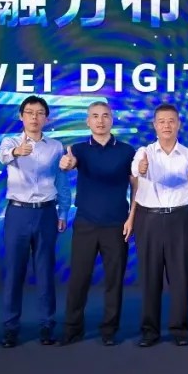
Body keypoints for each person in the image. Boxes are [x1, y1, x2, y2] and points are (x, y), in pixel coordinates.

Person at [58, 101, 137, 346]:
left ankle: (109, 330)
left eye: (104, 116)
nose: (100, 121)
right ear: (88, 121)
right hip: (86, 223)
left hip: (117, 224)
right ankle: (72, 329)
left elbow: (136, 186)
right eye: (95, 116)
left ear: (112, 119)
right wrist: (66, 164)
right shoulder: (78, 150)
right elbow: (68, 164)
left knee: (114, 279)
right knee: (79, 278)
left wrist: (132, 217)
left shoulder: (127, 151)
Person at [0, 96, 71, 348]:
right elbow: (4, 157)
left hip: (46, 213)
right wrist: (17, 152)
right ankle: (10, 327)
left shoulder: (55, 146)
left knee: (45, 271)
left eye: (40, 113)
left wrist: (63, 212)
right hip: (18, 213)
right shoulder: (10, 142)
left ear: (46, 118)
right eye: (29, 112)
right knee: (14, 272)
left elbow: (62, 182)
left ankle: (47, 325)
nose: (34, 117)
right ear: (21, 116)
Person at [132, 104, 188, 347]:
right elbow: (135, 169)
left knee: (180, 277)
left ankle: (180, 330)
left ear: (178, 124)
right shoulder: (144, 152)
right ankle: (149, 331)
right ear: (155, 125)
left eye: (171, 121)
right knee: (150, 277)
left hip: (179, 219)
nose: (166, 125)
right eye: (161, 121)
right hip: (149, 219)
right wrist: (140, 169)